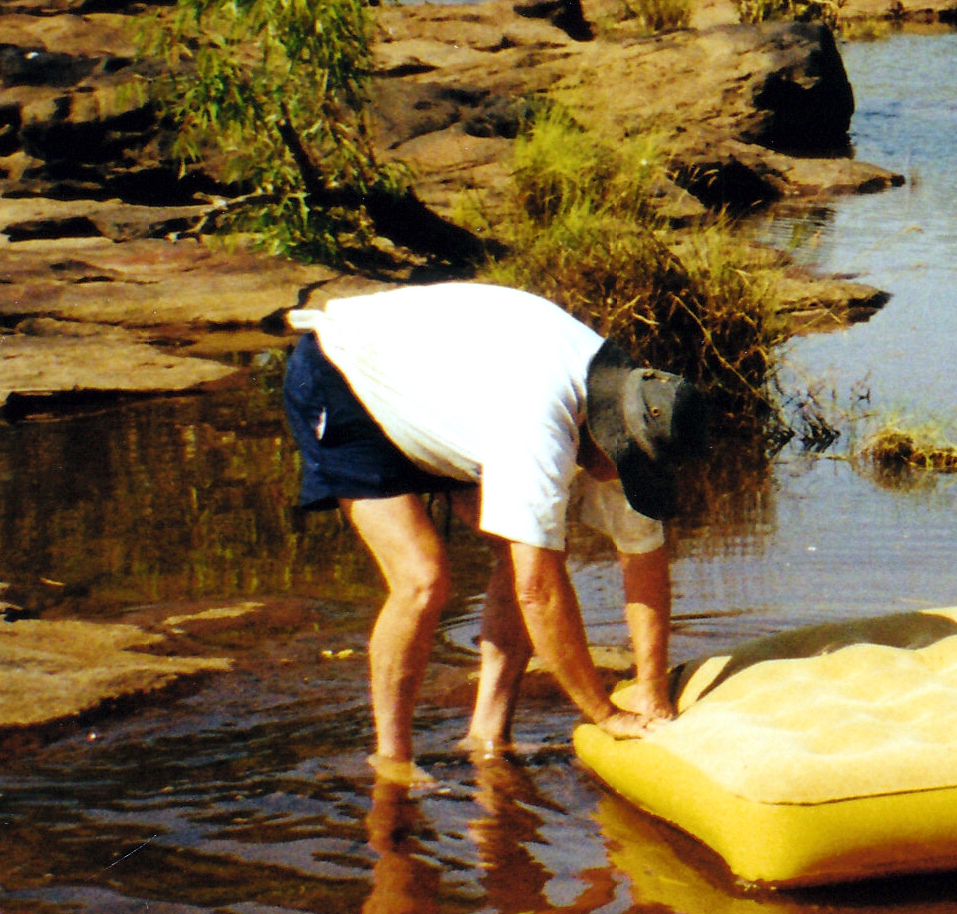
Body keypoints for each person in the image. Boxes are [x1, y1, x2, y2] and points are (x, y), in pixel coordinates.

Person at [279, 282, 702, 783]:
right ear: (605, 436)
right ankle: (392, 761)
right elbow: (537, 593)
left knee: (522, 547)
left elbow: (643, 555)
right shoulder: (539, 422)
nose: (621, 480)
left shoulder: (635, 404)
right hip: (347, 378)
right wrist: (605, 714)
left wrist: (652, 688)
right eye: (624, 468)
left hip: (451, 391)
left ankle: (487, 736)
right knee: (423, 578)